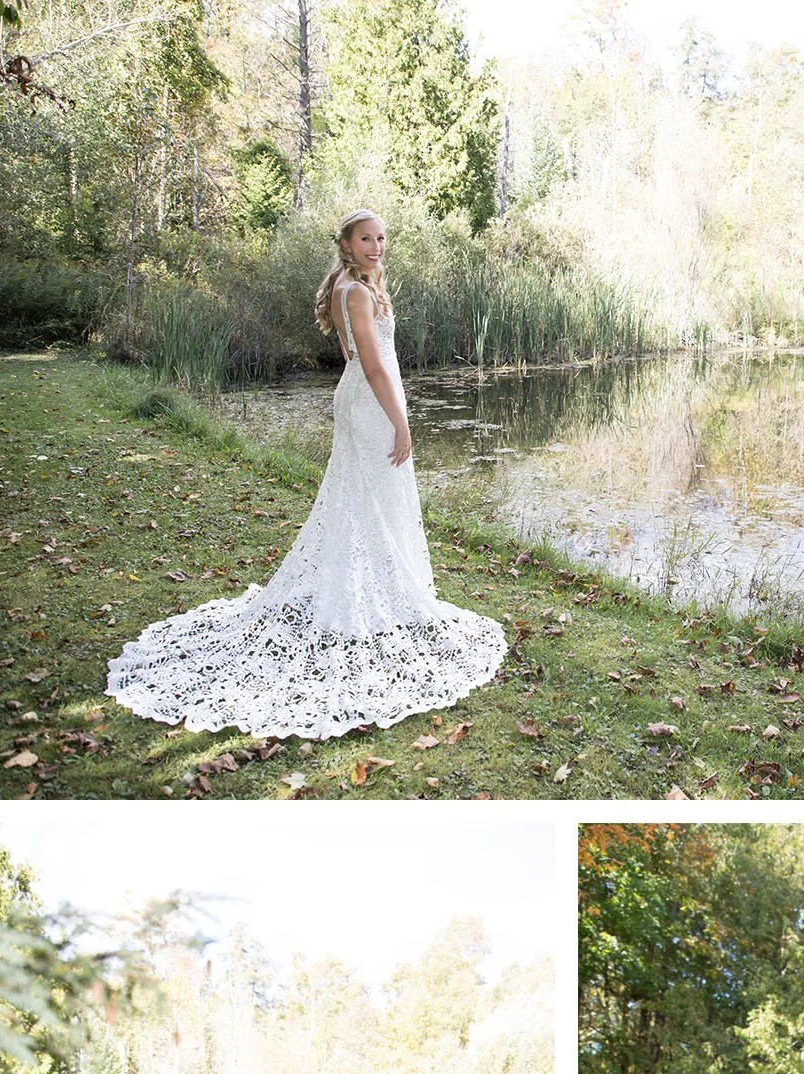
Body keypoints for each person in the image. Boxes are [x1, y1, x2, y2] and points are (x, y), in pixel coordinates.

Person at [107, 209, 506, 739]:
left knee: (364, 500)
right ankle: (365, 599)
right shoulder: (358, 293)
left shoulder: (348, 284)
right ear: (345, 241)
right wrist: (401, 422)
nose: (377, 246)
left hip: (362, 400)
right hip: (371, 403)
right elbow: (373, 363)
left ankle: (375, 587)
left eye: (382, 238)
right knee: (375, 495)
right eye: (367, 238)